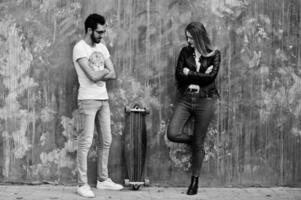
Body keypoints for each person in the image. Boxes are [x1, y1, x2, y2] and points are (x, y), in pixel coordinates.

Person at [72, 13, 123, 198]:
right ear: (90, 30)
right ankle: (82, 184)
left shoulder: (102, 47)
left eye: (103, 32)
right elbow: (93, 77)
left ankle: (102, 180)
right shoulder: (80, 48)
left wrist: (98, 72)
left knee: (106, 140)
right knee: (85, 142)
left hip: (103, 99)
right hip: (87, 99)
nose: (102, 35)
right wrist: (103, 72)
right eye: (99, 32)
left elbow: (113, 73)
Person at [167, 22, 221, 195]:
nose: (188, 41)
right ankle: (196, 142)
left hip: (205, 100)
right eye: (187, 38)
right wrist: (201, 76)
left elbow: (211, 78)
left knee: (198, 143)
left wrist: (189, 73)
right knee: (173, 133)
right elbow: (178, 76)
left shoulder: (214, 54)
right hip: (186, 99)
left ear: (198, 37)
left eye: (190, 38)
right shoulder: (185, 52)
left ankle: (194, 181)